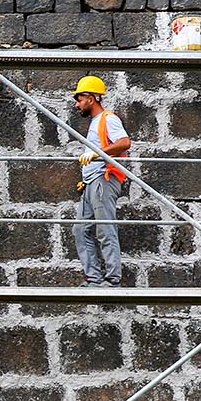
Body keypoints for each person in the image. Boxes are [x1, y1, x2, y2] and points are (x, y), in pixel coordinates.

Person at [71, 75, 130, 287]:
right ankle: (93, 279)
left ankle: (113, 280)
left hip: (103, 180)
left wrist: (97, 154)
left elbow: (124, 142)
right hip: (91, 182)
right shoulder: (96, 122)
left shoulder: (108, 118)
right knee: (80, 230)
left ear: (92, 98)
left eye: (79, 99)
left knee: (105, 229)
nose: (77, 104)